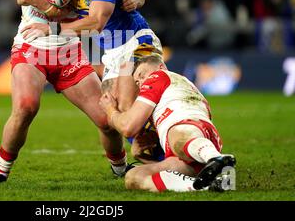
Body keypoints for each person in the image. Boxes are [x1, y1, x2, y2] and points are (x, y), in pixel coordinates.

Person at [0, 0, 145, 186]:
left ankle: (120, 167)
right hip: (32, 45)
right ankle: (0, 172)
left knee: (106, 118)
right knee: (25, 107)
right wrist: (48, 4)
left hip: (72, 50)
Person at [21, 0, 163, 115]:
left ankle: (177, 130)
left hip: (132, 42)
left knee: (128, 111)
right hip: (111, 51)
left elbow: (96, 23)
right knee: (113, 114)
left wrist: (50, 28)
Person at [99, 54, 236, 192]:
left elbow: (128, 127)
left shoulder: (159, 76)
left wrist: (110, 110)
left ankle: (216, 158)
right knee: (134, 177)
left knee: (177, 137)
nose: (141, 82)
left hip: (192, 131)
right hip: (191, 151)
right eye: (137, 82)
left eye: (142, 74)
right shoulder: (170, 94)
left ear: (161, 67)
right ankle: (206, 186)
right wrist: (142, 156)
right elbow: (169, 172)